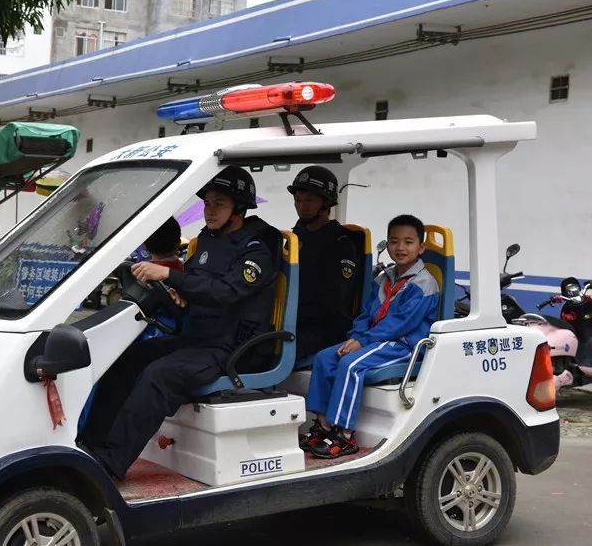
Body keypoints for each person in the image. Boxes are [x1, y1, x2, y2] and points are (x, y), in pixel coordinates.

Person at [79, 166, 282, 479]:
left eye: (219, 204)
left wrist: (170, 275)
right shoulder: (209, 238)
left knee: (158, 375)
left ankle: (108, 466)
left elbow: (228, 291)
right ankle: (88, 448)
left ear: (239, 209)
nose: (209, 210)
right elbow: (197, 283)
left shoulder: (259, 245)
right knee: (125, 360)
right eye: (207, 203)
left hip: (232, 348)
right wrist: (178, 289)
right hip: (197, 337)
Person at [303, 214, 439, 459]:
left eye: (408, 242)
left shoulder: (424, 284)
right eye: (394, 241)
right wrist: (355, 336)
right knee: (325, 358)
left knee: (350, 364)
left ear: (422, 247)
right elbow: (366, 314)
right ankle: (323, 425)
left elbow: (400, 324)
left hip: (403, 344)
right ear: (386, 245)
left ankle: (343, 434)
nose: (400, 248)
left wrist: (362, 341)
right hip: (376, 339)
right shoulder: (383, 279)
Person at [288, 165, 358, 359]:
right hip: (293, 323)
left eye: (310, 200)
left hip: (326, 330)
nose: (302, 206)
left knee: (265, 354)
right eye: (298, 200)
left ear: (326, 203)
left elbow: (334, 300)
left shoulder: (342, 244)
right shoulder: (296, 235)